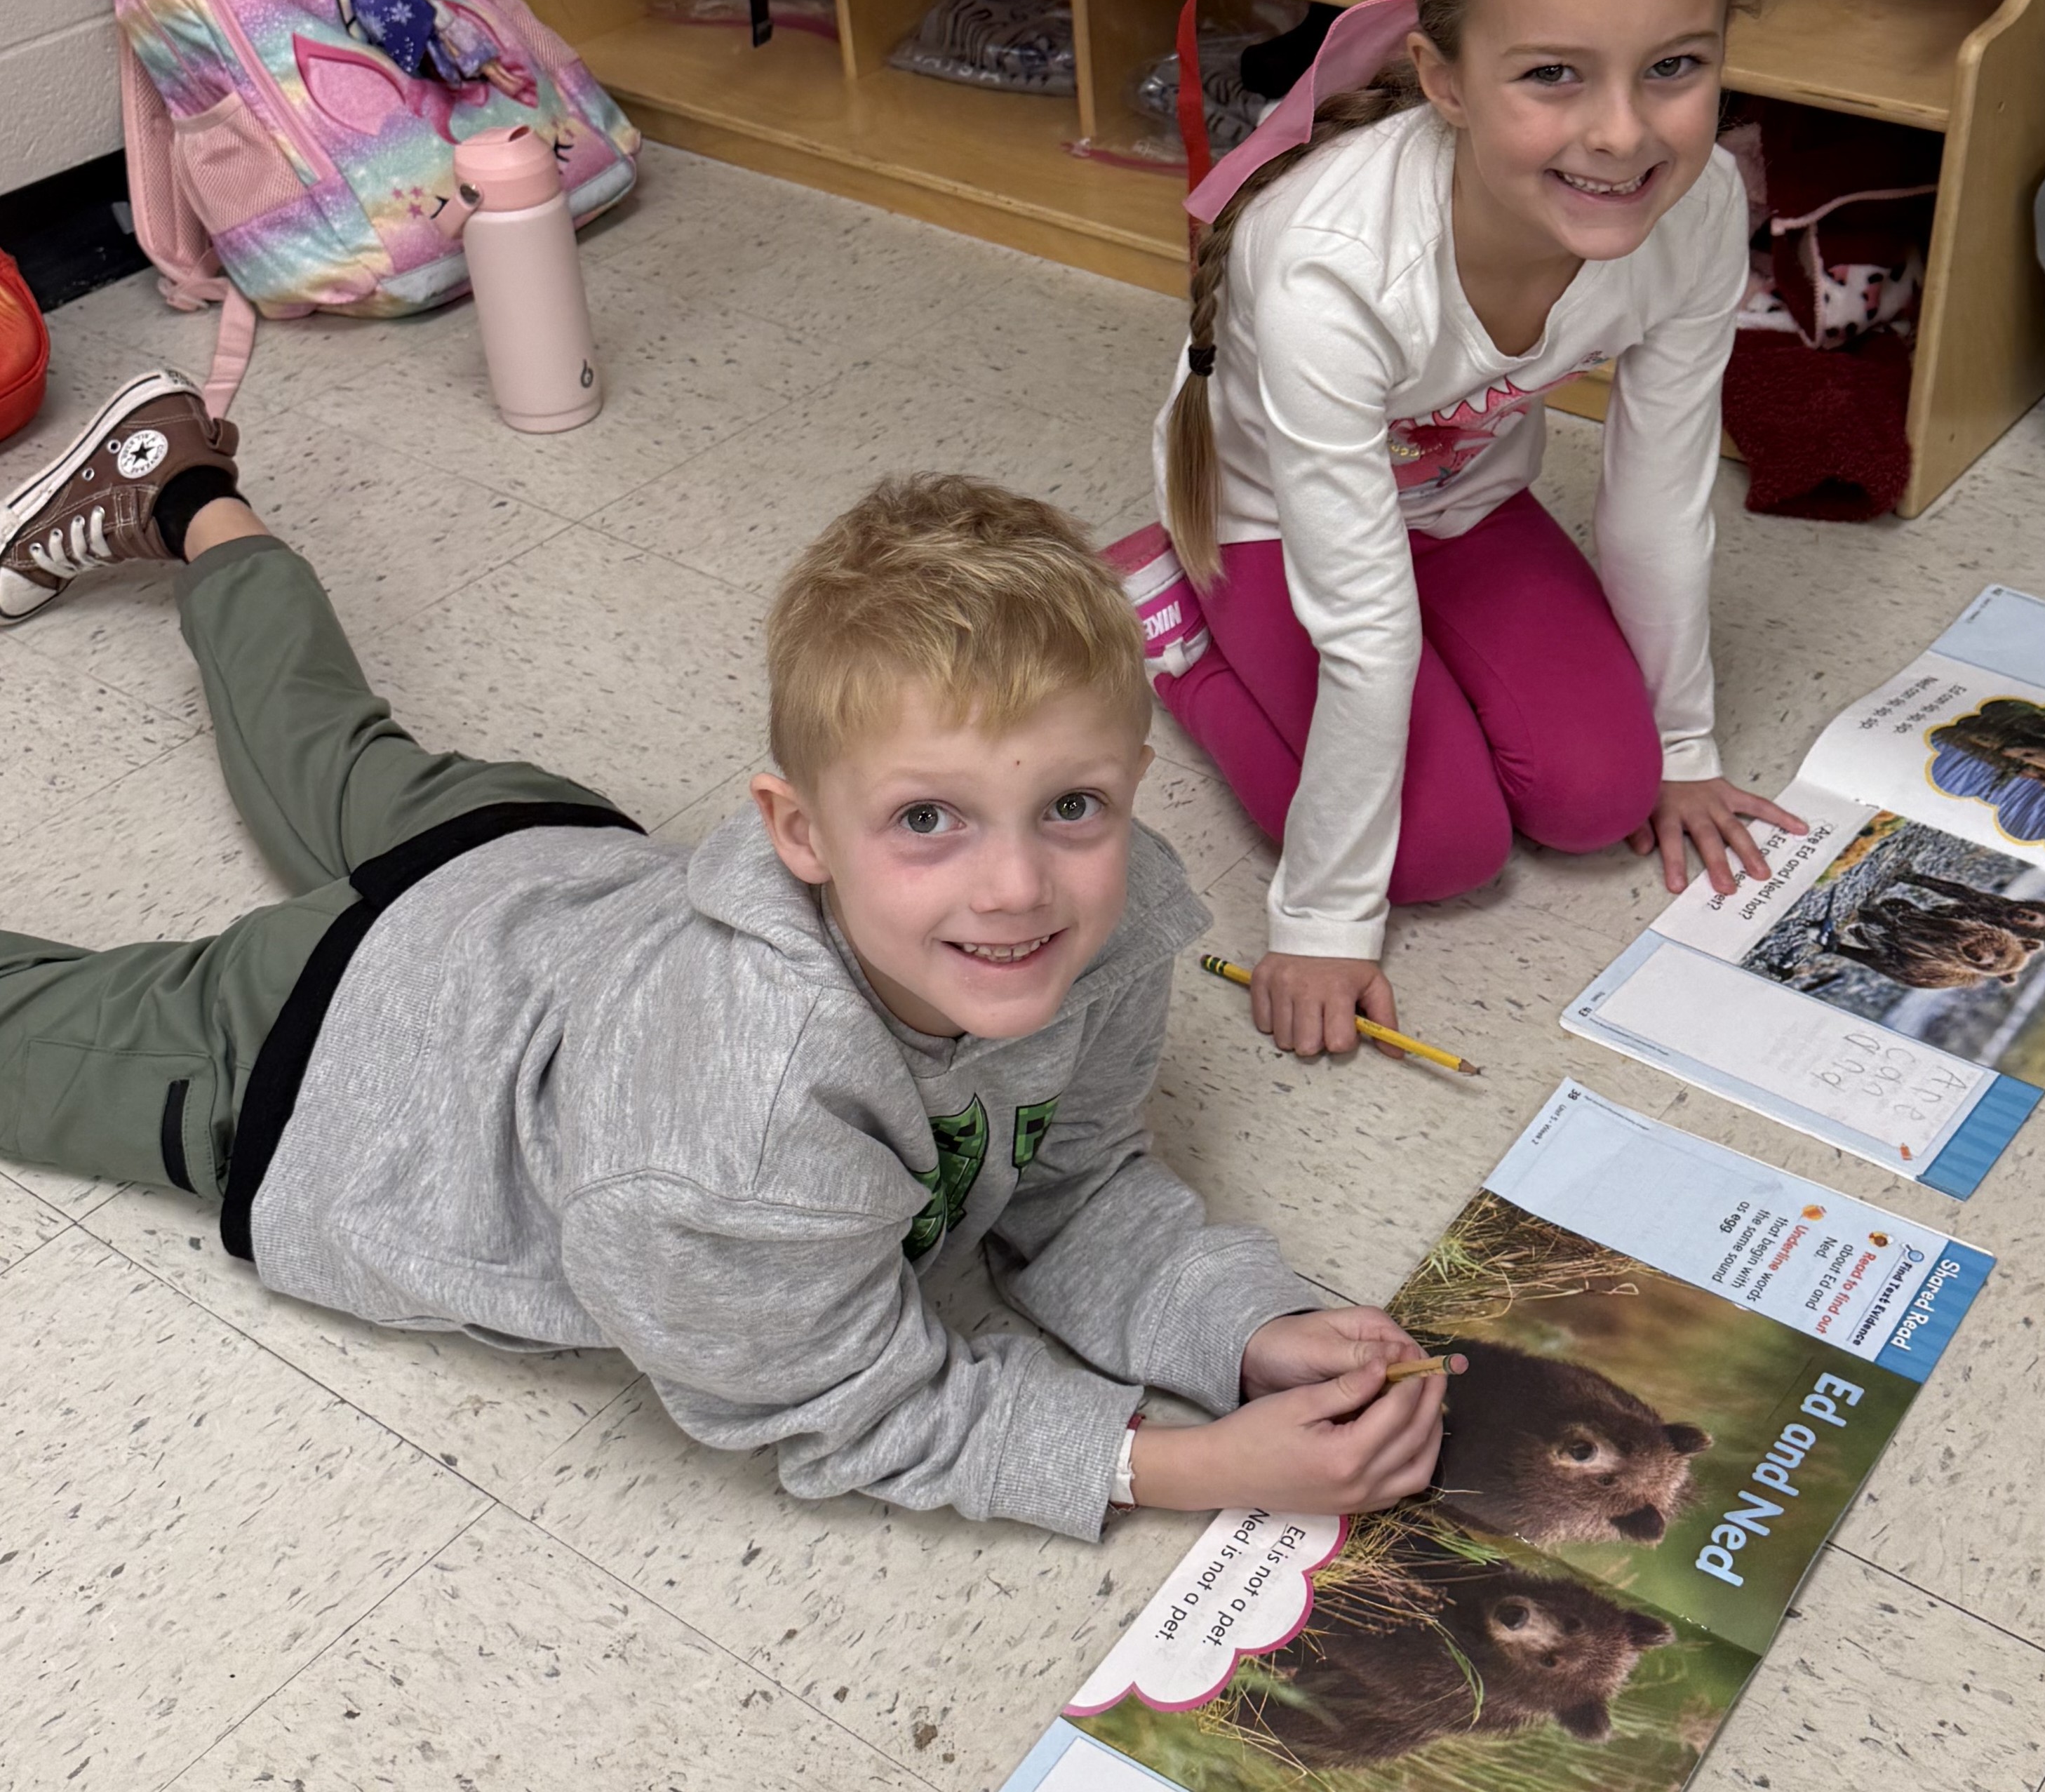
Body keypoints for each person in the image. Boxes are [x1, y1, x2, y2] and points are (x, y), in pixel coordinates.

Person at [0, 375, 1447, 1538]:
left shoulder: (1116, 914)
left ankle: (187, 489)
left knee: (323, 741)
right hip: (332, 1045)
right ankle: (184, 495)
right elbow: (849, 1403)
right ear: (793, 833)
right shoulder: (729, 1134)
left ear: (1132, 780)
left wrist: (1243, 1329)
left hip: (530, 856)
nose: (1020, 887)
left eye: (1072, 805)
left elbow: (1070, 1189)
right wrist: (1193, 1469)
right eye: (928, 817)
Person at [1111, 0, 1808, 1062]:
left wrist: (1688, 743)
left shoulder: (1700, 205)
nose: (1621, 133)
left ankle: (1510, 702)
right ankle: (1172, 617)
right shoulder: (1324, 263)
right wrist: (1321, 917)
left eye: (1676, 69)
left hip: (1463, 501)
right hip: (1274, 521)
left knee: (1608, 796)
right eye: (1552, 75)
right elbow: (1363, 623)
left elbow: (1658, 498)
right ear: (1442, 74)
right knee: (1436, 854)